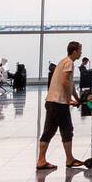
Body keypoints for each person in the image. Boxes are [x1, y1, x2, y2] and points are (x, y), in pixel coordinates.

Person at [37, 41, 85, 172]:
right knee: (67, 130)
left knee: (49, 131)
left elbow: (70, 84)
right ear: (74, 51)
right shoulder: (69, 63)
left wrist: (78, 99)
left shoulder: (63, 61)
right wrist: (69, 100)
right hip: (59, 103)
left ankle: (41, 160)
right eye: (80, 50)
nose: (81, 53)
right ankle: (70, 159)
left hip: (51, 102)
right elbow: (64, 82)